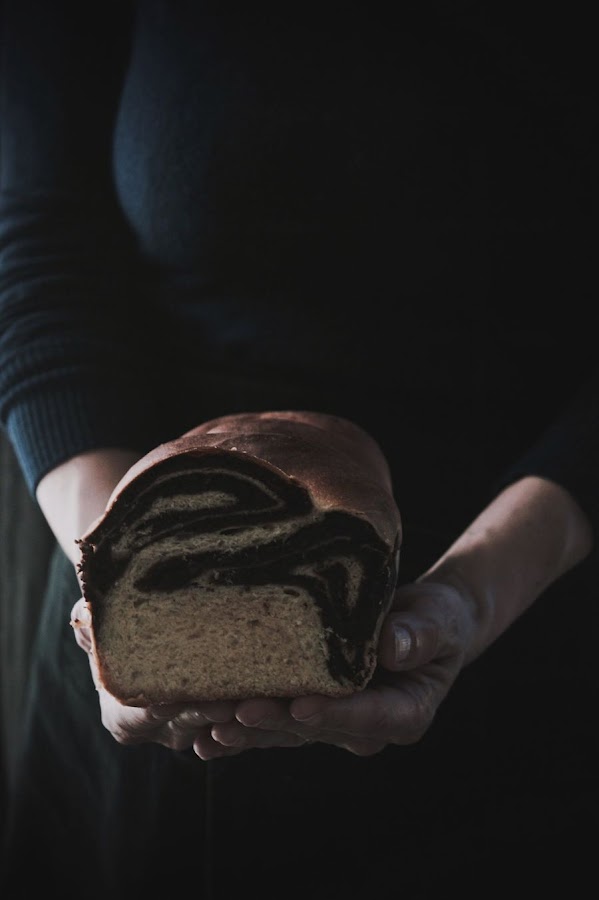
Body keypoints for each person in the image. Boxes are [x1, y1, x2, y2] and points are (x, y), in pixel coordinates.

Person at [0, 2, 596, 898]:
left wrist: (474, 594)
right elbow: (37, 234)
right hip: (130, 510)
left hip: (534, 580)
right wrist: (115, 574)